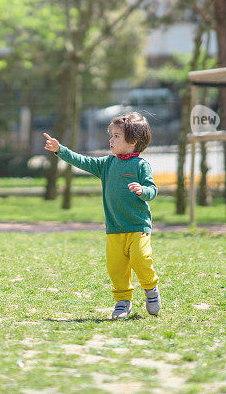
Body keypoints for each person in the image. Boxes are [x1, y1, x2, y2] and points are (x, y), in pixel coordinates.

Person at [43, 112, 161, 319]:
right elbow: (82, 161)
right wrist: (60, 150)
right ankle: (123, 303)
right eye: (112, 135)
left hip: (138, 227)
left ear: (133, 141)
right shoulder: (107, 164)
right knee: (116, 269)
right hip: (114, 229)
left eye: (116, 136)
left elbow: (153, 190)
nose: (111, 139)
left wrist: (143, 190)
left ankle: (151, 289)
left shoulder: (141, 165)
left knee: (141, 259)